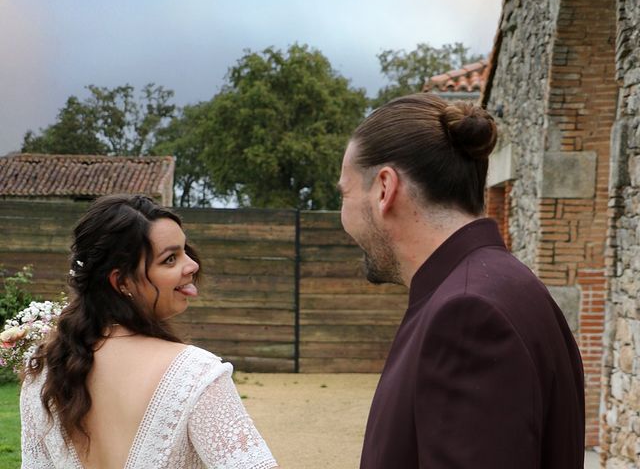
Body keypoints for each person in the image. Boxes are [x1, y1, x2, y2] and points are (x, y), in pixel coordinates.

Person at [337, 93, 585, 468]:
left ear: (384, 189)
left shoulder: (467, 314)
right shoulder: (501, 285)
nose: (344, 214)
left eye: (345, 192)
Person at [20, 195, 277, 469]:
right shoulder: (195, 374)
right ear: (121, 281)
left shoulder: (44, 372)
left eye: (185, 251)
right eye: (170, 259)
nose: (192, 265)